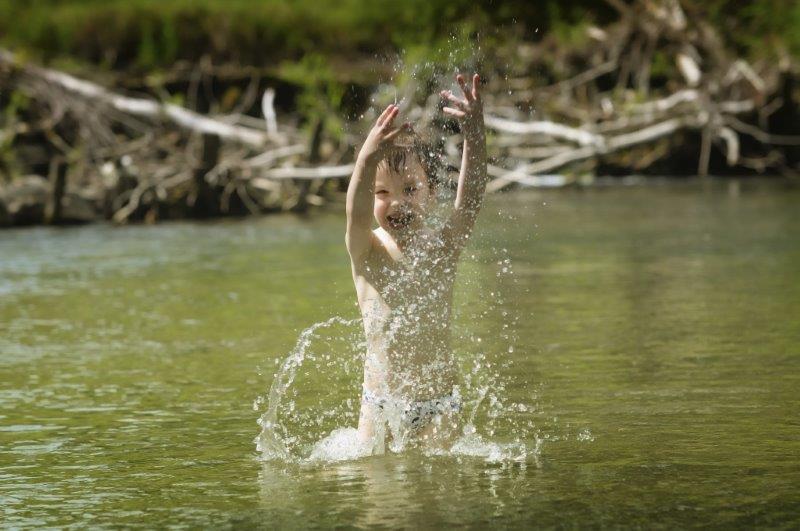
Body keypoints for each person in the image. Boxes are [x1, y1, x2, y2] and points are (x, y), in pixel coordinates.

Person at [346, 73, 487, 453]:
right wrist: (366, 157)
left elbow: (470, 201)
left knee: (440, 492)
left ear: (432, 192)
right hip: (380, 405)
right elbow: (356, 215)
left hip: (439, 404)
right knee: (381, 500)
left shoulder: (442, 247)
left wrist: (474, 135)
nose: (397, 203)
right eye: (382, 192)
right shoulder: (366, 250)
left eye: (411, 189)